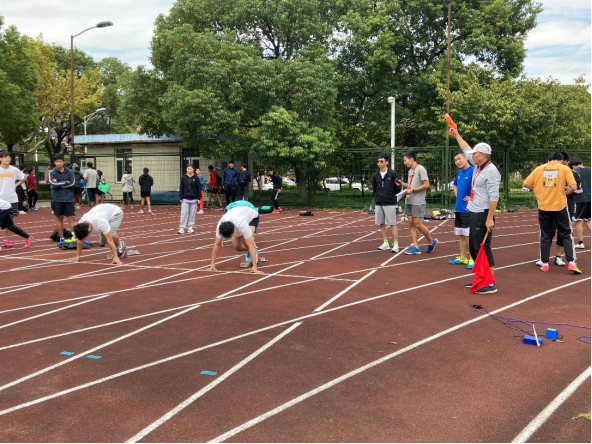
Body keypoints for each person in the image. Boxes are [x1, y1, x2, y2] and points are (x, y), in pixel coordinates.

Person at [452, 129, 501, 294]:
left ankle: (490, 283)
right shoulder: (478, 166)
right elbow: (465, 148)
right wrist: (456, 134)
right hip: (474, 210)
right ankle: (480, 278)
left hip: (483, 213)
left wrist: (489, 218)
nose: (471, 156)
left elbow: (494, 197)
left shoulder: (491, 171)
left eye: (474, 154)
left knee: (483, 247)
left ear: (483, 155)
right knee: (474, 248)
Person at [523, 152, 580, 274]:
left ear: (548, 160)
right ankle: (571, 262)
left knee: (545, 235)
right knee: (566, 234)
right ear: (561, 161)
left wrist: (538, 190)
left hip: (544, 207)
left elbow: (526, 183)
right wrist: (564, 192)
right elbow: (574, 187)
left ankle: (544, 264)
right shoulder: (564, 168)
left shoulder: (539, 169)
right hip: (560, 206)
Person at [397, 151, 437, 255]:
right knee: (411, 224)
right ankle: (416, 246)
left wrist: (413, 191)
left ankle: (431, 241)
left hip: (418, 201)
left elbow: (426, 184)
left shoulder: (420, 169)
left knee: (418, 224)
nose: (404, 162)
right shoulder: (410, 171)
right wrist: (402, 184)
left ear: (411, 159)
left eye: (405, 160)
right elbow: (411, 186)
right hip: (409, 200)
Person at [207, 205, 263, 274]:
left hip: (252, 218)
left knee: (247, 243)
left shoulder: (242, 224)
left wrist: (255, 268)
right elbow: (217, 245)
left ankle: (254, 253)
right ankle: (252, 252)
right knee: (237, 247)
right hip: (237, 216)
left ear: (233, 230)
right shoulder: (220, 226)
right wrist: (212, 265)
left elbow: (250, 245)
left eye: (230, 236)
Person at [449, 150, 475, 268]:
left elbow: (479, 186)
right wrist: (457, 194)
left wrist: (472, 197)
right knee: (461, 234)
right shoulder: (459, 173)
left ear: (466, 158)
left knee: (469, 235)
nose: (457, 162)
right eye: (455, 160)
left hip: (468, 209)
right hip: (458, 208)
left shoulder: (473, 171)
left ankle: (473, 259)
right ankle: (463, 257)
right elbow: (454, 184)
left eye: (459, 159)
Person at [372, 153, 402, 253]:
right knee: (381, 223)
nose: (379, 163)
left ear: (386, 162)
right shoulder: (376, 175)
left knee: (392, 223)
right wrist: (377, 196)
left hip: (389, 202)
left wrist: (391, 196)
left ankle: (396, 244)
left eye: (381, 161)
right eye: (378, 161)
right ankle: (386, 243)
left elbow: (398, 187)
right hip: (379, 202)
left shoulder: (393, 174)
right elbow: (375, 188)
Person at [0, 151, 27, 248]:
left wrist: (16, 185)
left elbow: (24, 178)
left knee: (10, 222)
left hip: (12, 199)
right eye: (5, 157)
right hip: (1, 200)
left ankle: (7, 240)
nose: (7, 159)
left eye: (9, 157)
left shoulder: (14, 169)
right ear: (0, 159)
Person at [50, 153, 77, 246]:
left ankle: (74, 237)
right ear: (54, 162)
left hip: (68, 199)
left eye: (60, 161)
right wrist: (66, 182)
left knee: (72, 218)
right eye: (57, 162)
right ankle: (61, 238)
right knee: (59, 218)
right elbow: (53, 184)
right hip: (57, 199)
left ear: (63, 162)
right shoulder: (52, 172)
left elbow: (72, 183)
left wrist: (59, 183)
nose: (59, 163)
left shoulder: (70, 172)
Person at [570, 158, 591, 249]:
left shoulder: (574, 171)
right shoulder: (590, 169)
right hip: (590, 198)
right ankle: (580, 242)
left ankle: (580, 242)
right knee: (587, 219)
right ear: (581, 163)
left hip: (579, 198)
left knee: (578, 220)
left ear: (573, 166)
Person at [178, 164, 201, 234]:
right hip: (185, 199)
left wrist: (198, 198)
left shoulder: (196, 178)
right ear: (186, 169)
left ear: (193, 169)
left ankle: (190, 227)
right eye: (188, 169)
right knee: (184, 213)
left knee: (192, 214)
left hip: (194, 199)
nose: (189, 170)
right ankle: (182, 228)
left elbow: (198, 188)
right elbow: (181, 187)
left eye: (191, 169)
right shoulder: (183, 177)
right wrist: (181, 197)